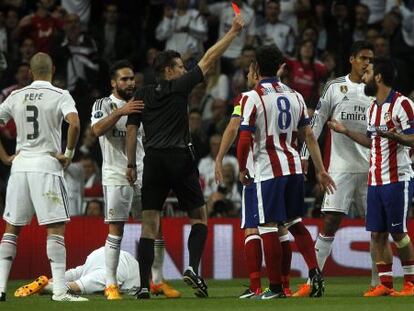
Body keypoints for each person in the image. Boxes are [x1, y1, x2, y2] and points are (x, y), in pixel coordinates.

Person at [126, 13, 245, 299]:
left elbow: (131, 130)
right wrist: (232, 32)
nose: (183, 70)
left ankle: (144, 286)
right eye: (179, 66)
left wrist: (130, 164)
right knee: (199, 216)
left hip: (152, 161)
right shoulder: (179, 86)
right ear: (168, 70)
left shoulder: (141, 93)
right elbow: (209, 58)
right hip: (179, 159)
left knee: (149, 224)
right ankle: (192, 266)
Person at [236, 45, 335, 299]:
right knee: (293, 222)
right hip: (293, 167)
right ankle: (315, 272)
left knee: (268, 226)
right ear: (280, 67)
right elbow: (310, 136)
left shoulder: (252, 97)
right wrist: (320, 170)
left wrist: (241, 167)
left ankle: (277, 287)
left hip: (268, 170)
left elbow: (245, 139)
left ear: (256, 67)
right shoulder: (296, 95)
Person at [0, 52, 87, 302]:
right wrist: (68, 154)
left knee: (11, 229)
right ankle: (60, 290)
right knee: (55, 229)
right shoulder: (60, 95)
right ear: (53, 69)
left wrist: (5, 158)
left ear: (29, 72)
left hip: (20, 167)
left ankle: (0, 288)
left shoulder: (15, 95)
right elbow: (75, 123)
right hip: (46, 166)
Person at [90, 60, 180, 299]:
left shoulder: (143, 103)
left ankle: (157, 281)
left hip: (144, 172)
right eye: (124, 79)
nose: (130, 83)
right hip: (115, 175)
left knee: (155, 227)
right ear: (113, 82)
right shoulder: (103, 104)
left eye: (132, 79)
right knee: (116, 229)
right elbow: (96, 130)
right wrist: (121, 111)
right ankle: (111, 284)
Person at [328, 58, 414, 297]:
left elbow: (413, 137)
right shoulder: (373, 108)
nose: (363, 76)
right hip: (375, 180)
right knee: (377, 234)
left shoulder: (403, 104)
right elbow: (371, 140)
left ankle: (410, 283)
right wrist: (346, 131)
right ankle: (385, 285)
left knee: (398, 233)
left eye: (367, 72)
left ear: (378, 77)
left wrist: (395, 136)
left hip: (397, 179)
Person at [298, 40, 377, 297]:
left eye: (371, 59)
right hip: (340, 168)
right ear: (352, 59)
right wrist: (304, 156)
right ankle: (312, 282)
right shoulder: (335, 86)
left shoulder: (377, 90)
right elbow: (316, 122)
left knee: (377, 228)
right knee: (330, 222)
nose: (367, 62)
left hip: (370, 167)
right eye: (363, 57)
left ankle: (379, 283)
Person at [14, 247, 139, 297]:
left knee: (78, 272)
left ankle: (45, 281)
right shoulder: (139, 280)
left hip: (102, 252)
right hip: (119, 267)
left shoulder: (139, 270)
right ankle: (46, 287)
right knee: (79, 285)